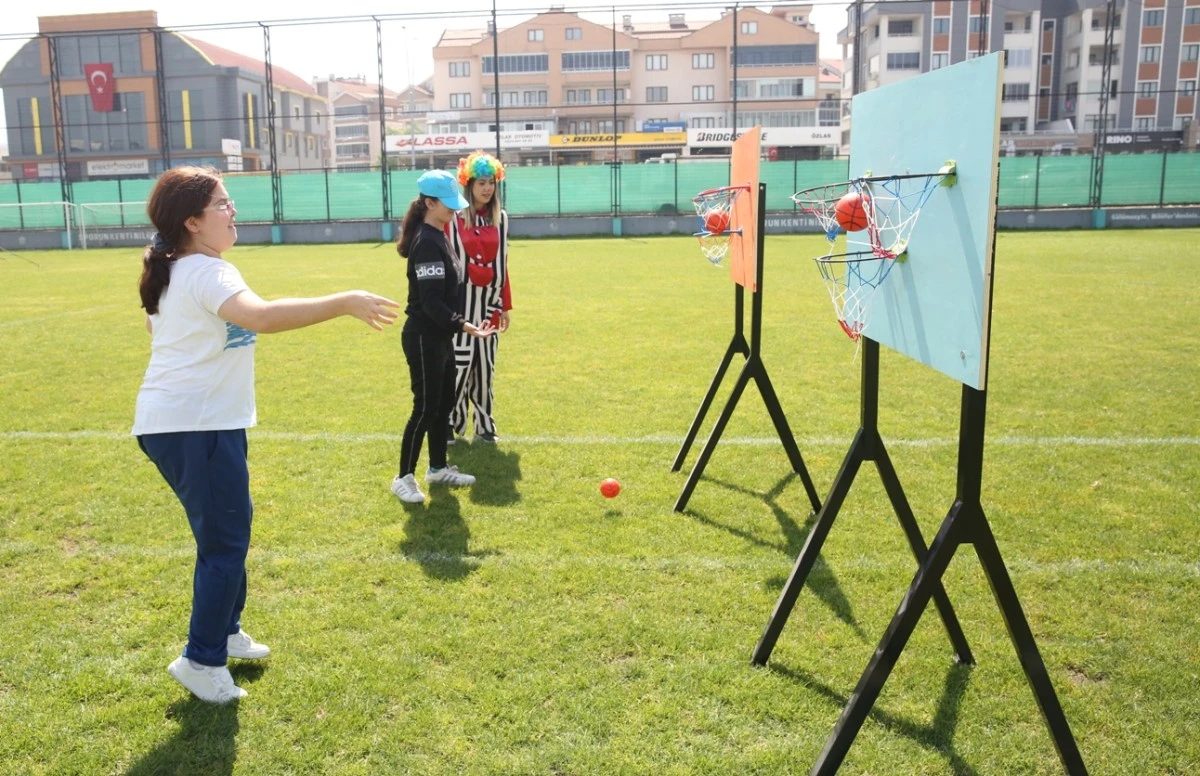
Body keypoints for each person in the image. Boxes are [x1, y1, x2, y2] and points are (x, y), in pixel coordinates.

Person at [133, 166, 399, 704]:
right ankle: (201, 660)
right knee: (225, 544)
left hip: (196, 424)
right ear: (191, 222)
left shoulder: (182, 268)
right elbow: (261, 317)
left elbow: (159, 327)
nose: (233, 211)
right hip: (195, 427)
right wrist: (344, 301)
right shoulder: (206, 271)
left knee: (228, 536)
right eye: (222, 204)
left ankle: (225, 631)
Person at [391, 169, 496, 504]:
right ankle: (403, 478)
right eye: (447, 203)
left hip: (440, 337)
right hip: (423, 336)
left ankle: (437, 468)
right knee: (425, 408)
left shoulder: (440, 235)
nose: (453, 209)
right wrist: (464, 325)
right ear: (429, 203)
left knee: (443, 405)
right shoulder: (426, 242)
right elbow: (431, 302)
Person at [446, 150, 512, 445]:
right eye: (481, 183)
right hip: (461, 304)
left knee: (485, 368)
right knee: (459, 366)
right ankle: (451, 423)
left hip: (490, 305)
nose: (487, 189)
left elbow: (503, 265)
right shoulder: (454, 219)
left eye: (491, 183)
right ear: (469, 185)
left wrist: (505, 305)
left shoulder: (502, 219)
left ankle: (485, 426)